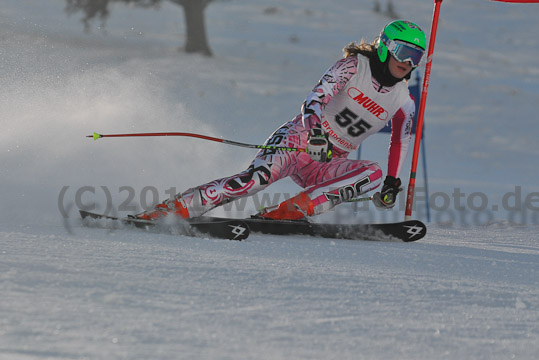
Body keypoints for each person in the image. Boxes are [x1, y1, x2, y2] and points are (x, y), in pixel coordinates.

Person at [135, 20, 427, 221]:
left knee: (372, 173)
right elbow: (315, 99)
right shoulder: (353, 66)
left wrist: (391, 181)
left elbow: (401, 140)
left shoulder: (404, 101)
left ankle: (288, 213)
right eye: (404, 52)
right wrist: (315, 135)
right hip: (299, 141)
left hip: (328, 160)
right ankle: (173, 210)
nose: (408, 63)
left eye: (417, 57)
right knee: (253, 181)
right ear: (385, 46)